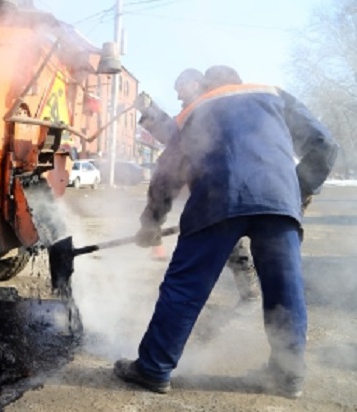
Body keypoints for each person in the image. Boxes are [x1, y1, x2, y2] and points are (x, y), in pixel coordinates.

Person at [115, 70, 338, 398]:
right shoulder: (274, 93)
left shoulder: (198, 109)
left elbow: (168, 172)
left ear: (206, 86)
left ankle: (153, 369)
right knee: (284, 289)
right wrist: (298, 188)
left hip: (216, 200)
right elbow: (325, 145)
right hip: (278, 201)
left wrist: (151, 224)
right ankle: (288, 377)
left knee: (185, 288)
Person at [135, 68, 261, 306]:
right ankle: (254, 296)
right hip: (259, 186)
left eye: (180, 89)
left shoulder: (204, 108)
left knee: (201, 248)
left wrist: (150, 223)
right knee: (244, 239)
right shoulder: (237, 105)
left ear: (194, 84)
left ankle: (183, 307)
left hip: (220, 186)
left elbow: (174, 146)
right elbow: (176, 134)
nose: (179, 97)